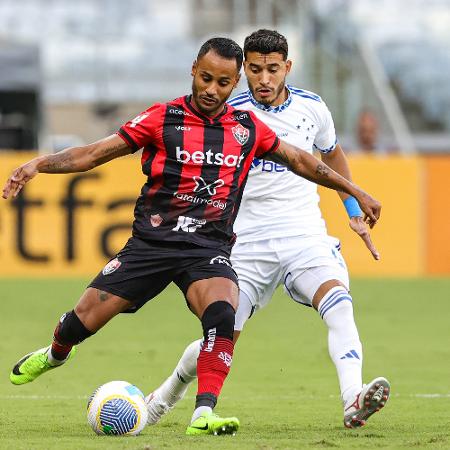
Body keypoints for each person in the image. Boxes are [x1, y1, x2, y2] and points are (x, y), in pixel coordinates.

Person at [3, 36, 380, 437]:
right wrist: (40, 164)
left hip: (208, 249)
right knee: (83, 321)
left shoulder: (245, 128)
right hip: (152, 245)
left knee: (222, 315)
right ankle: (55, 353)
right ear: (193, 73)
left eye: (222, 83)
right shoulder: (162, 118)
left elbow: (303, 161)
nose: (211, 89)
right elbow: (94, 153)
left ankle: (203, 413)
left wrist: (354, 193)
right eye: (205, 78)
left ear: (233, 84)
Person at [145, 29, 390, 430]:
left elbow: (331, 156)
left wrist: (351, 207)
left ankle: (353, 400)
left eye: (272, 69)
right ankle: (165, 395)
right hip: (245, 241)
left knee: (340, 304)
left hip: (303, 234)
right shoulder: (230, 115)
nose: (264, 78)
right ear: (243, 71)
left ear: (287, 67)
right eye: (255, 69)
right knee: (220, 337)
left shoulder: (313, 108)